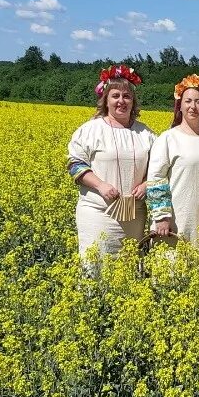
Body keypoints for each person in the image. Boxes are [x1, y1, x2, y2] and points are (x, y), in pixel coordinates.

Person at [66, 64, 156, 258]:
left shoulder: (145, 133)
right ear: (106, 100)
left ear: (133, 101)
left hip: (134, 215)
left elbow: (158, 168)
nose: (121, 101)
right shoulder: (91, 130)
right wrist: (100, 185)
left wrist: (147, 183)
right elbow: (75, 165)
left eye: (127, 96)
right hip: (98, 212)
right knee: (96, 267)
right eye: (115, 96)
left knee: (129, 271)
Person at [147, 74, 199, 251]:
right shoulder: (168, 138)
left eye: (198, 102)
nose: (193, 107)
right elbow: (156, 178)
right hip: (173, 222)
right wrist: (162, 217)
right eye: (188, 101)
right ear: (180, 105)